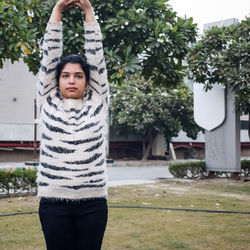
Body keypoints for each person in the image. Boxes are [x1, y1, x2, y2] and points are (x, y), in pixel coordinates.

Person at [36, 0, 109, 249]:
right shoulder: (47, 99)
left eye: (78, 76)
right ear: (56, 81)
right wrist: (57, 11)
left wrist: (88, 11)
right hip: (53, 203)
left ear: (88, 82)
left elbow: (96, 55)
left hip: (93, 203)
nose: (71, 81)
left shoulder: (98, 99)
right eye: (65, 75)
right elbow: (50, 54)